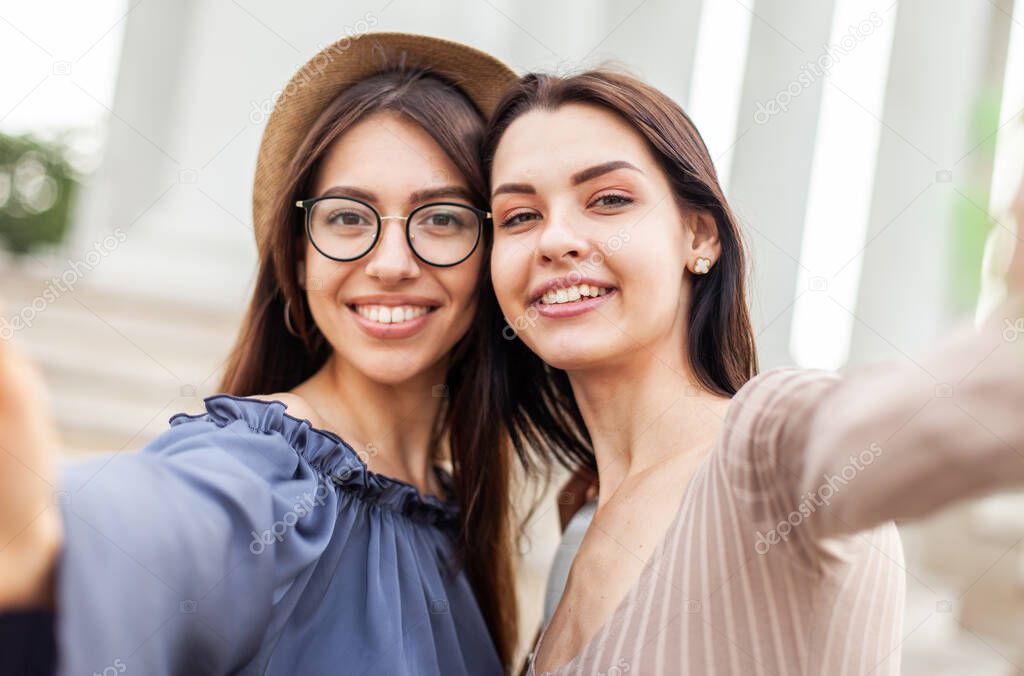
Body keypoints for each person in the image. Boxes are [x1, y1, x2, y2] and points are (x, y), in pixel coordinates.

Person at [0, 33, 520, 675]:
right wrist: (49, 543)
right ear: (298, 260)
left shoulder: (456, 508)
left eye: (442, 218)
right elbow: (175, 520)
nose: (390, 264)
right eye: (348, 217)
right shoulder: (265, 470)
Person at [481, 70, 1024, 675]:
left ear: (700, 235)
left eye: (609, 200)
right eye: (519, 216)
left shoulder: (760, 450)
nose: (555, 240)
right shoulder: (580, 519)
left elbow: (894, 430)